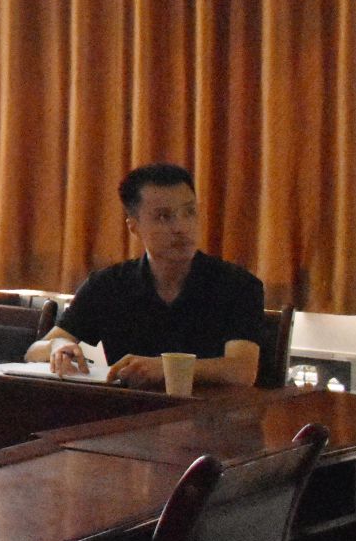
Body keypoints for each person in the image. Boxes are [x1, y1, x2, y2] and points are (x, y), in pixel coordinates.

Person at [27, 163, 263, 389]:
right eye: (163, 216)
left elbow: (242, 370)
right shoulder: (108, 285)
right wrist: (58, 345)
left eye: (189, 212)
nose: (180, 227)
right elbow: (34, 351)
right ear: (134, 227)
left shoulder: (237, 284)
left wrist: (165, 368)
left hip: (211, 412)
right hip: (128, 410)